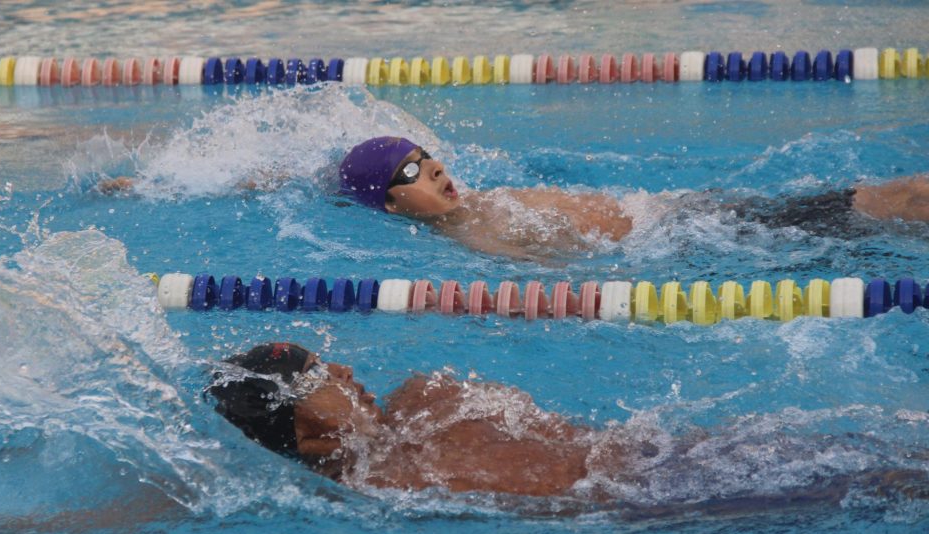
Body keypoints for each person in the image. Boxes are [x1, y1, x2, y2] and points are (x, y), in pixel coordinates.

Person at [207, 342, 929, 508]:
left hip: (687, 448)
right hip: (678, 498)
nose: (346, 374)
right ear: (303, 433)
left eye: (330, 361)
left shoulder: (425, 397)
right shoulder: (392, 483)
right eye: (320, 381)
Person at [337, 136, 929, 260]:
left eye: (426, 154)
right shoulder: (474, 237)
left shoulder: (484, 203)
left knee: (887, 203)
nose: (433, 166)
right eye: (410, 169)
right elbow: (558, 281)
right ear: (391, 204)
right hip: (696, 239)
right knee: (895, 200)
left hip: (689, 214)